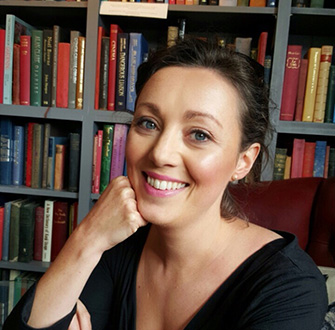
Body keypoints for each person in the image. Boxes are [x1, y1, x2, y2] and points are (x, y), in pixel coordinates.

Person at [4, 37, 327, 330]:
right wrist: (87, 238)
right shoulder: (114, 243)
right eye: (148, 123)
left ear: (244, 161)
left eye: (199, 134)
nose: (160, 153)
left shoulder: (289, 286)